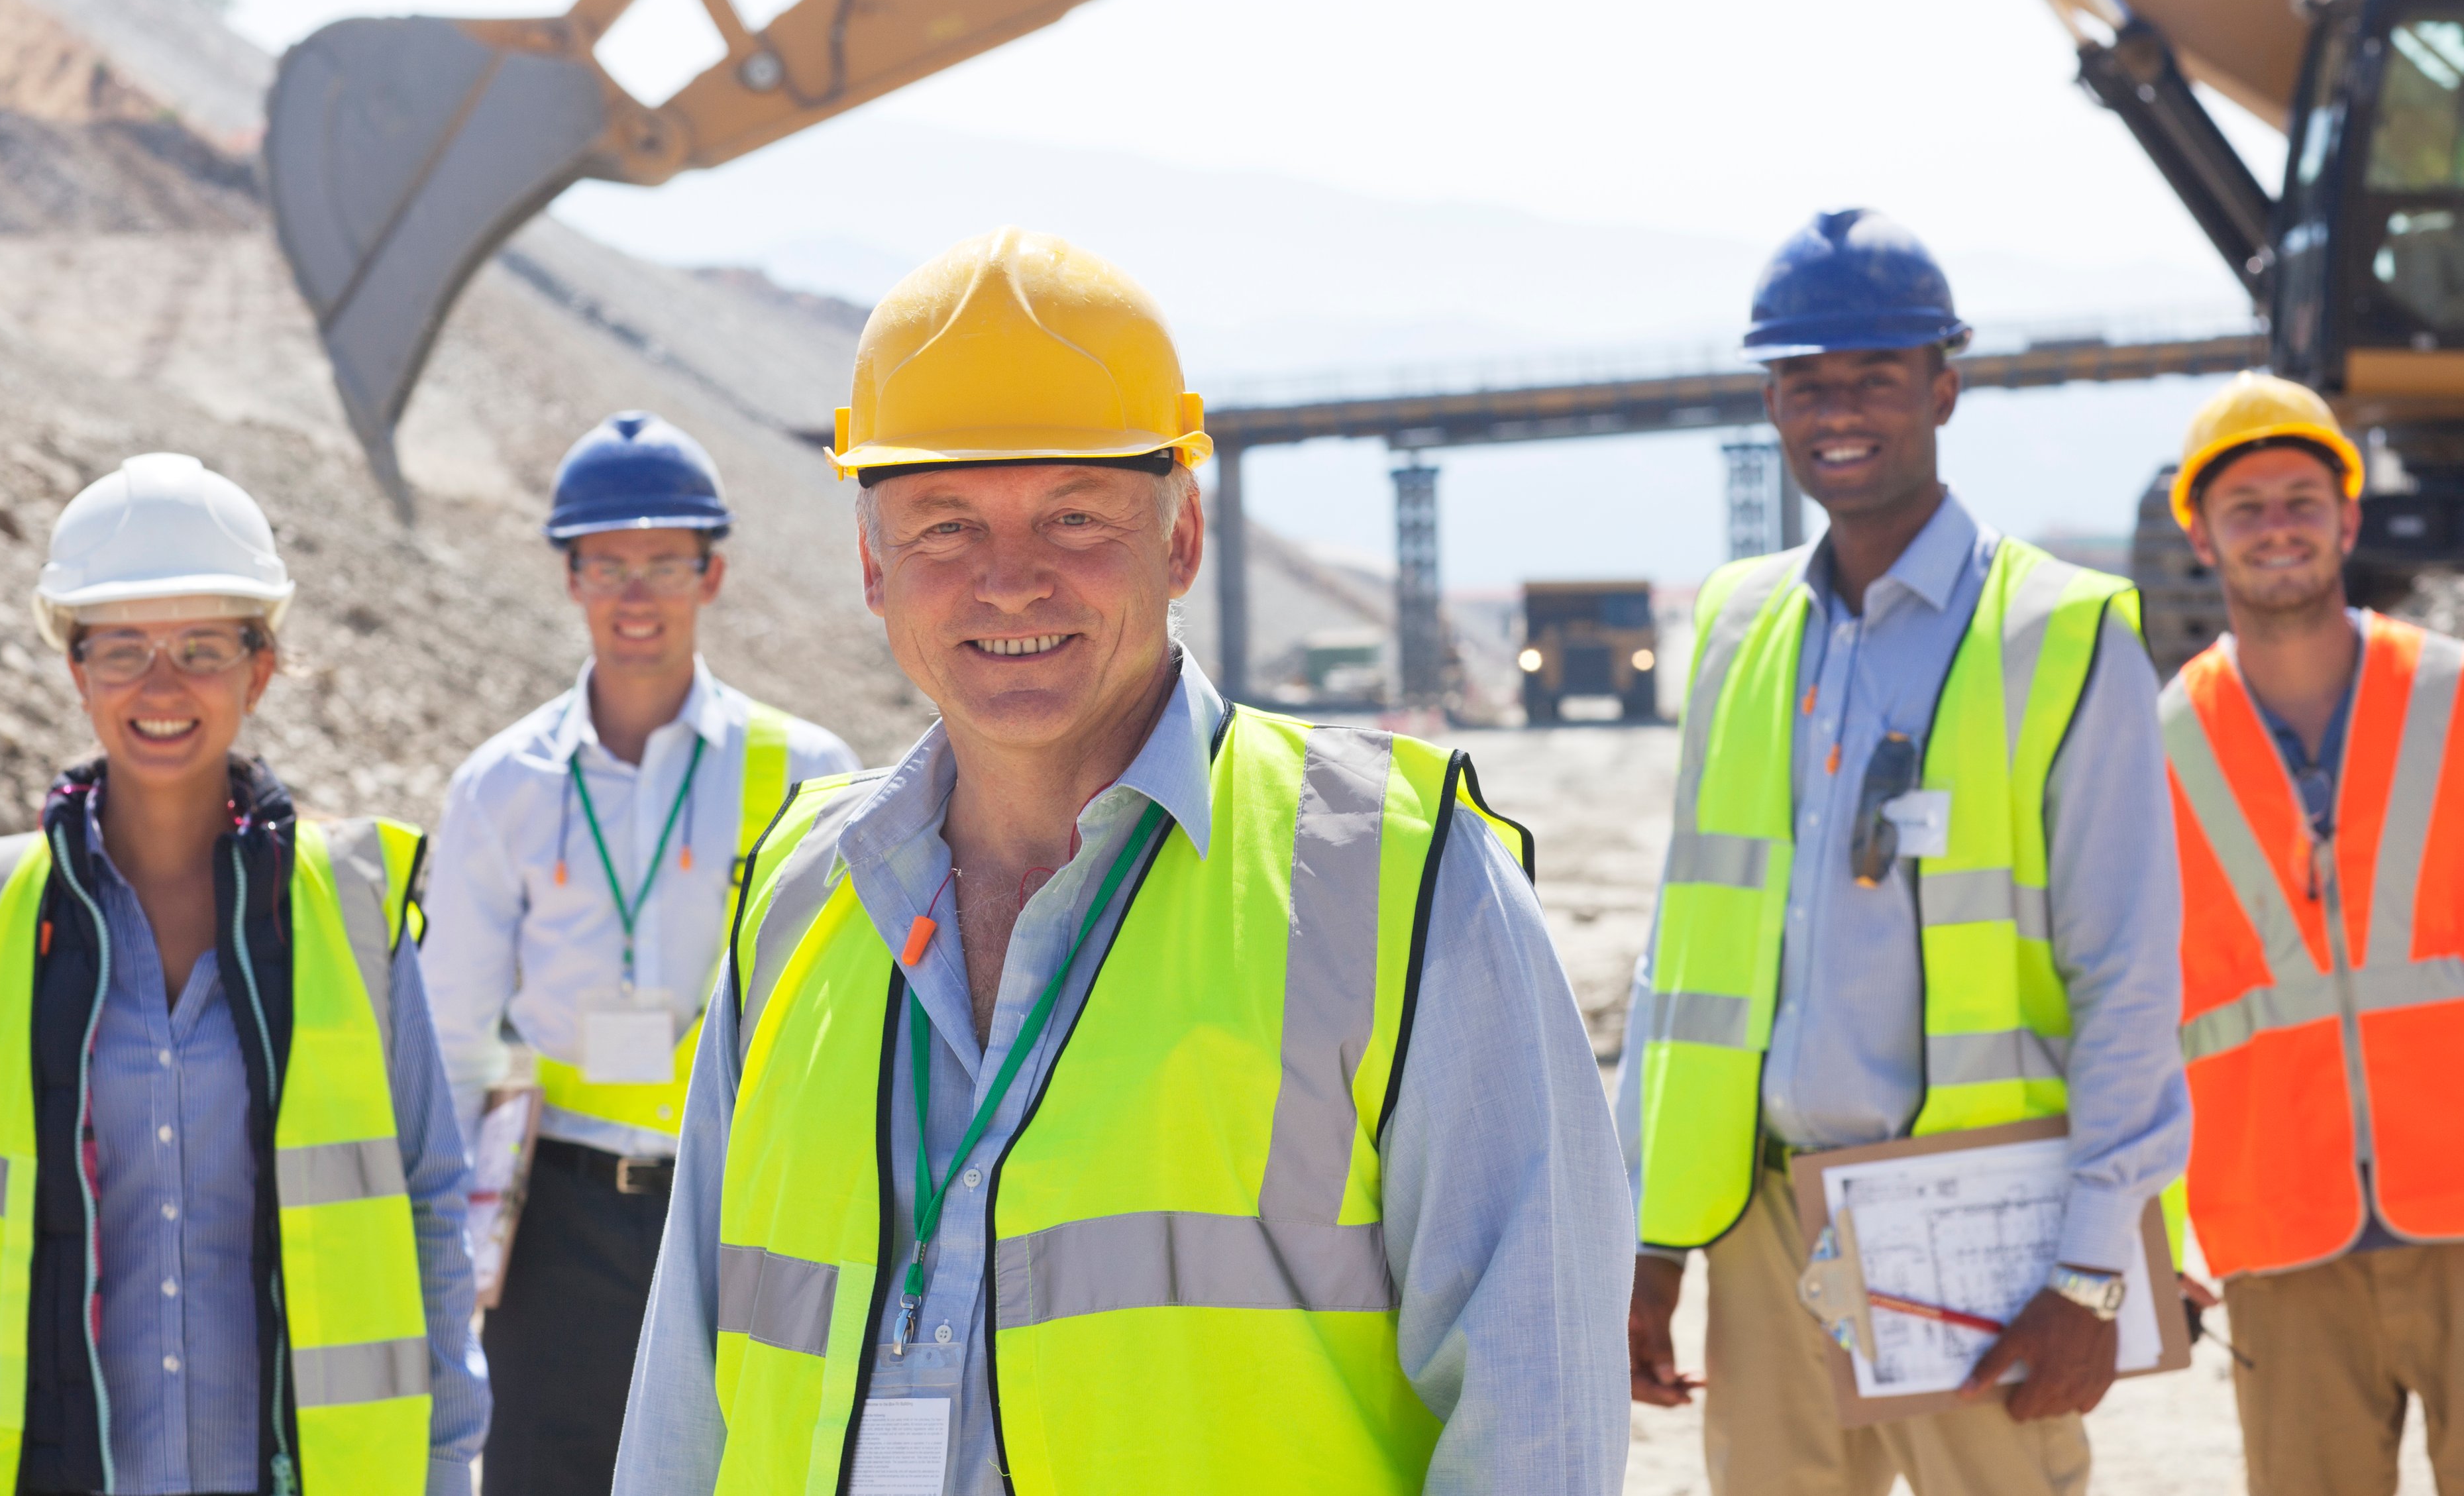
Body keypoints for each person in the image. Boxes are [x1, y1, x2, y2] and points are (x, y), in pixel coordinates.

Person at [610, 226, 1631, 1493]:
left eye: (1076, 515)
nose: (1009, 581)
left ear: (1182, 537)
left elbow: (1538, 1414)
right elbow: (683, 1397)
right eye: (943, 528)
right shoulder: (798, 896)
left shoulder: (1400, 880)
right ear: (873, 567)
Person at [1617, 210, 2192, 1495]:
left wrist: (2092, 1267)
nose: (1839, 409)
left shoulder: (2060, 632)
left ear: (1946, 385)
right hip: (1761, 1229)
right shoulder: (1736, 623)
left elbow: (2129, 975)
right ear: (1771, 398)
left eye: (1875, 376)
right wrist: (1647, 1234)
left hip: (1978, 1220)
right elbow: (1682, 951)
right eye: (1806, 380)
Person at [0, 452, 485, 1495]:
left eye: (200, 647)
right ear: (76, 669)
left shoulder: (351, 910)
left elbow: (428, 1210)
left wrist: (447, 1468)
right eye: (123, 648)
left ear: (259, 668)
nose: (162, 685)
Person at [420, 410, 858, 1496]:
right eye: (607, 564)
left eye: (665, 562)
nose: (636, 594)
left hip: (737, 1206)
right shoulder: (503, 785)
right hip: (554, 1218)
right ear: (570, 578)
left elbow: (841, 1029)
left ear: (711, 574)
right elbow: (451, 1040)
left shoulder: (809, 770)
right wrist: (448, 1250)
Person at [2160, 375, 2464, 1494]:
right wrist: (2156, 1229)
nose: (2277, 526)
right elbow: (2135, 1011)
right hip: (2276, 1239)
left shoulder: (2453, 696)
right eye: (2247, 506)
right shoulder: (2161, 751)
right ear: (2200, 532)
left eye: (2301, 497)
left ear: (2348, 516)